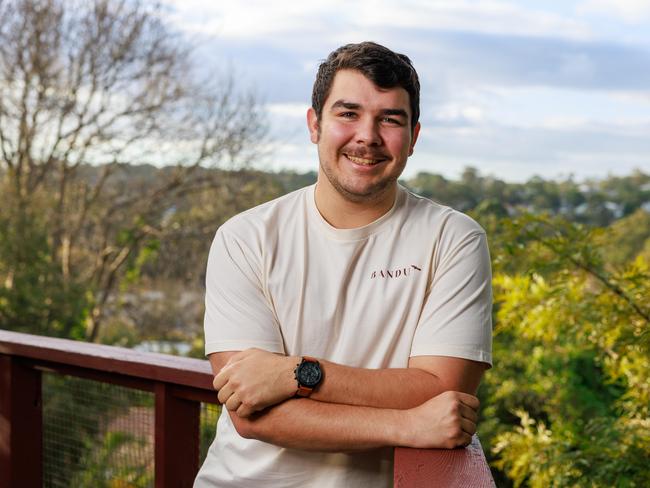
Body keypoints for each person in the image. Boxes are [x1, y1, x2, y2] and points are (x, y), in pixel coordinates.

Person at [194, 41, 493, 488]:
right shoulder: (245, 237)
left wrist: (294, 374)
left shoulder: (454, 239)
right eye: (348, 113)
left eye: (390, 119)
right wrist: (407, 425)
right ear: (315, 124)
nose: (367, 136)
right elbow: (252, 415)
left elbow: (441, 390)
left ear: (412, 137)